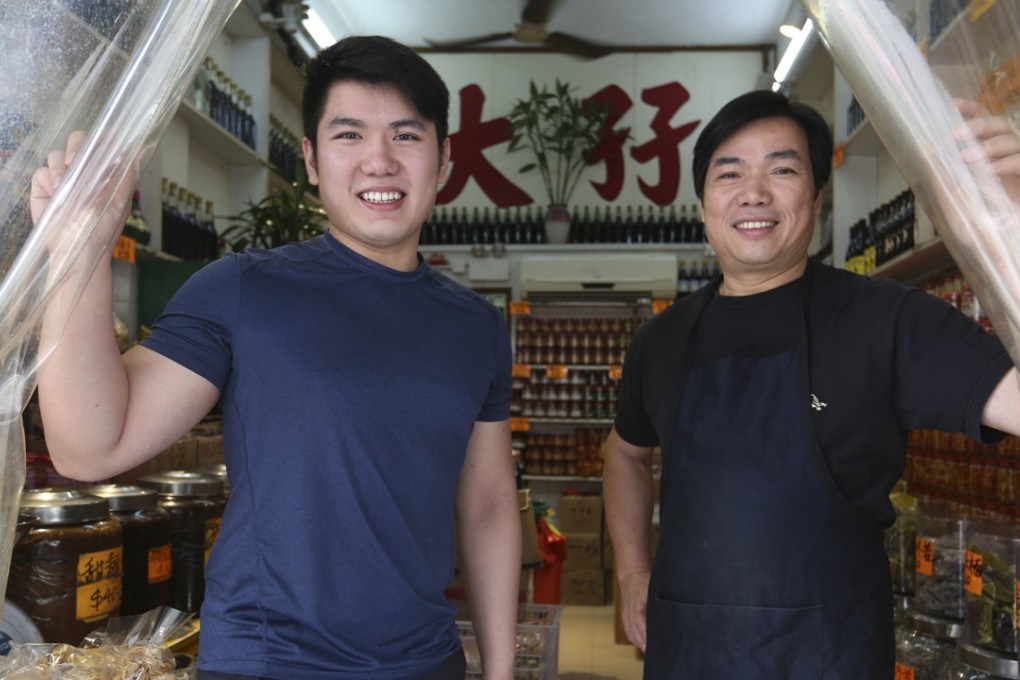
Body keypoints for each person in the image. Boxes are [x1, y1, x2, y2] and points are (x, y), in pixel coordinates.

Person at [31, 36, 521, 680]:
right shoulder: (242, 289)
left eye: (406, 135)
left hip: (425, 662)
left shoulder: (476, 326)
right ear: (313, 161)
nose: (379, 161)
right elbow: (87, 448)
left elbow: (486, 501)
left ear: (443, 158)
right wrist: (81, 252)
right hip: (269, 662)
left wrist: (502, 669)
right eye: (349, 135)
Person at [602, 89, 1020, 678]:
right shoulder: (661, 342)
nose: (754, 192)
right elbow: (623, 453)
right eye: (730, 173)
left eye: (782, 169)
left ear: (817, 199)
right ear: (702, 204)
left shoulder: (887, 321)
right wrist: (632, 570)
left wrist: (1014, 226)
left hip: (828, 657)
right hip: (688, 654)